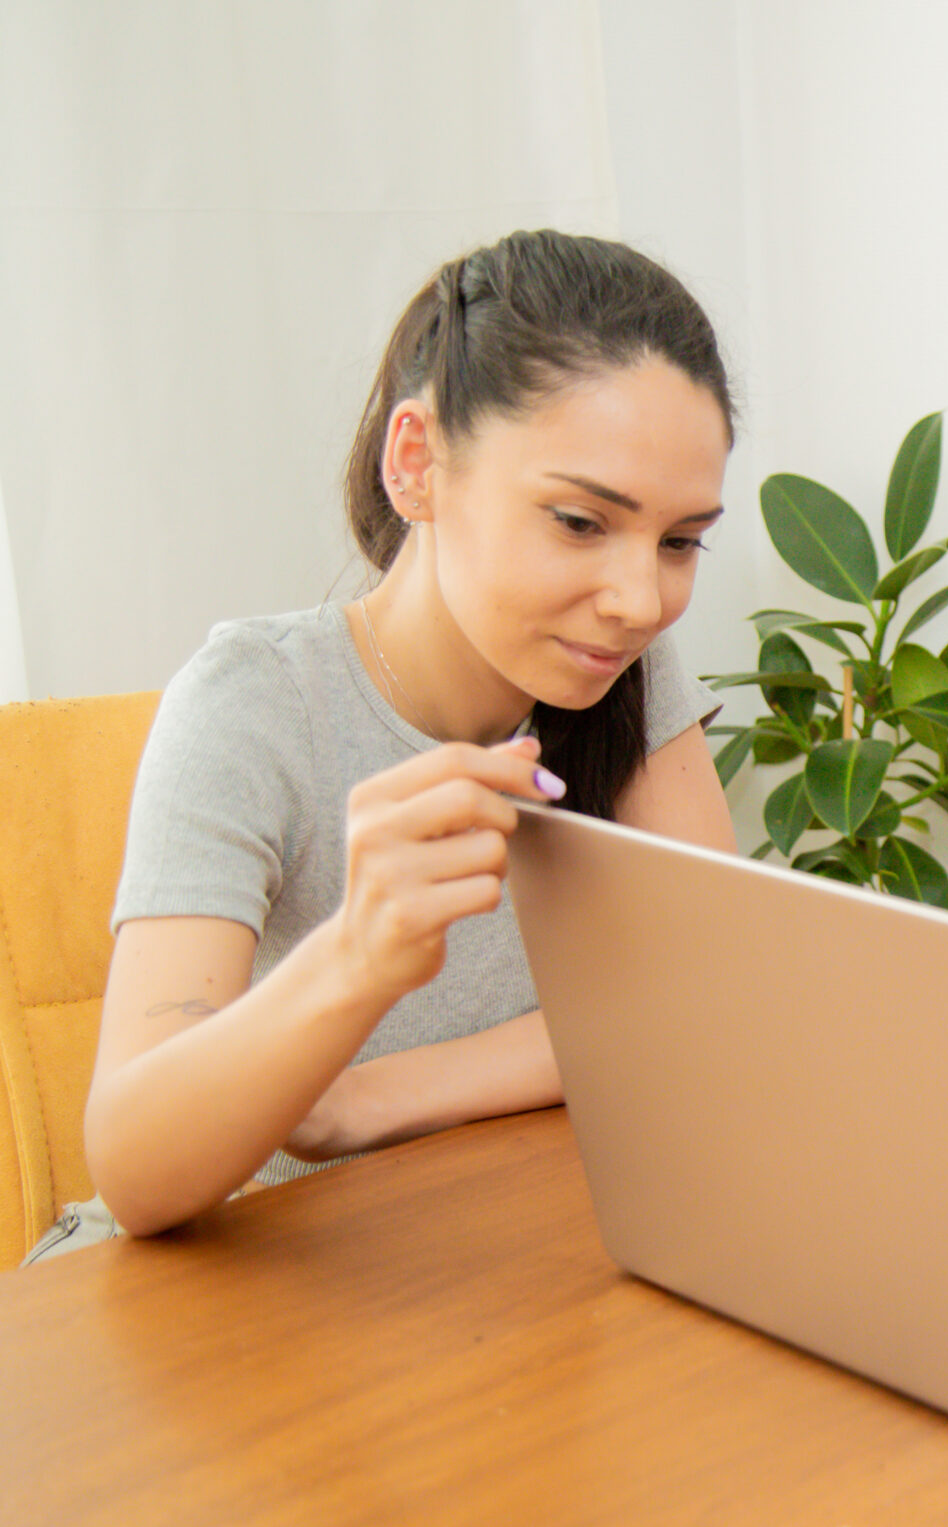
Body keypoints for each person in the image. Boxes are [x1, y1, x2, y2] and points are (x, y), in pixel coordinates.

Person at [78, 230, 738, 1243]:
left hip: (489, 1250)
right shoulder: (252, 703)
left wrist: (366, 1099)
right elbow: (135, 1169)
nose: (640, 598)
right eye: (578, 521)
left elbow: (705, 998)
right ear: (418, 463)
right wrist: (356, 955)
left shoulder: (621, 670)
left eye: (681, 541)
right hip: (251, 1285)